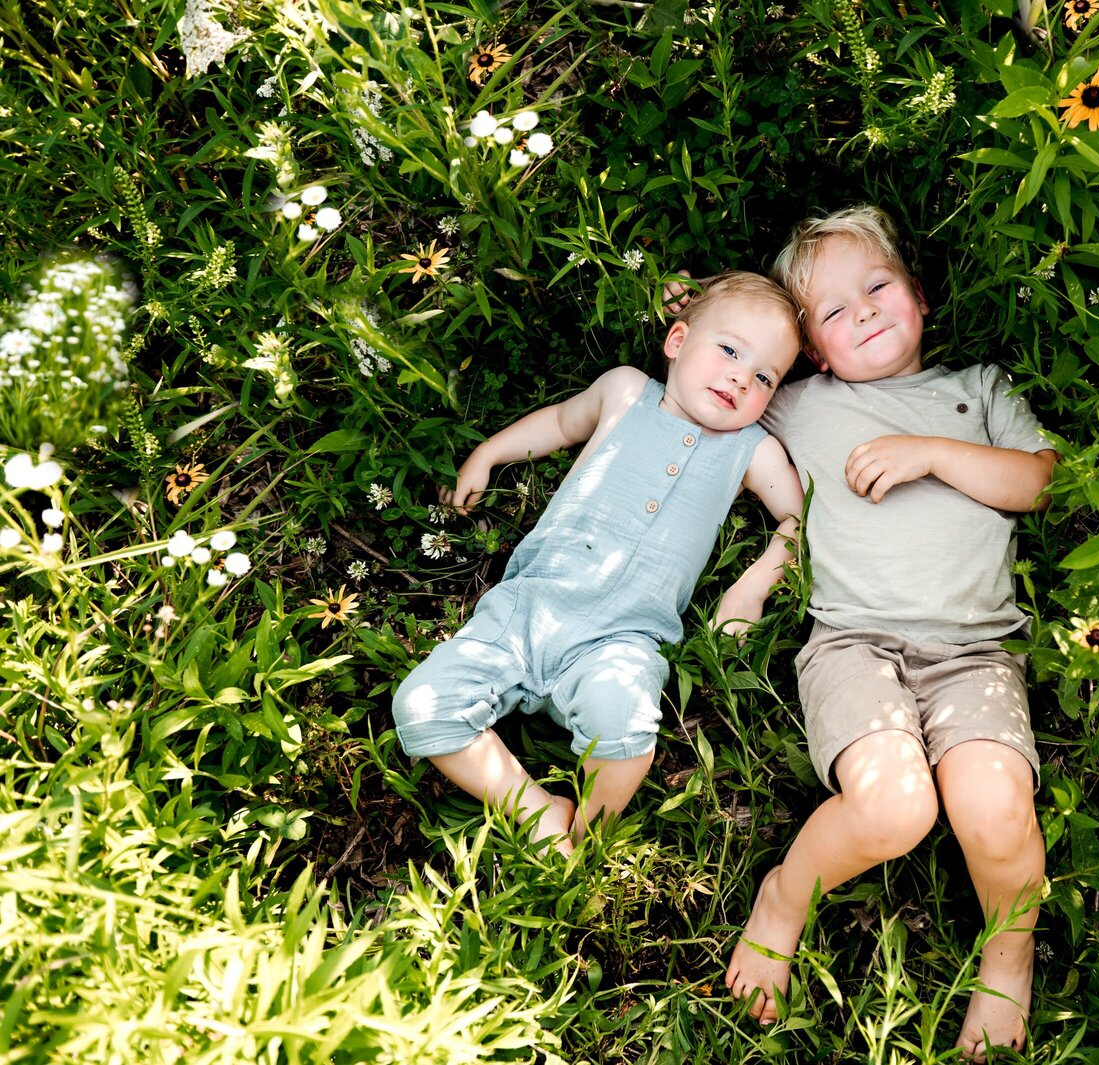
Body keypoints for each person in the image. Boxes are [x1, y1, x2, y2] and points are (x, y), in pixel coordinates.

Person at [720, 207, 1056, 1061]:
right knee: (893, 804)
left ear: (921, 297)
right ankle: (785, 895)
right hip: (854, 643)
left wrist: (933, 451)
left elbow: (1040, 482)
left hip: (977, 652)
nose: (863, 310)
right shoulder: (800, 402)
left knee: (996, 808)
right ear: (814, 352)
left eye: (877, 287)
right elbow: (718, 378)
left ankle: (1008, 951)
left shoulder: (977, 390)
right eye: (832, 312)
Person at [391, 271, 805, 856]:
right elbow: (562, 423)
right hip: (528, 607)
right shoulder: (626, 391)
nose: (742, 376)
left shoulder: (750, 449)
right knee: (422, 705)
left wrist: (753, 585)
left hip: (622, 640)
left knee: (628, 735)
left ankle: (586, 830)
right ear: (678, 340)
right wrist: (489, 453)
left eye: (765, 376)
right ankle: (533, 810)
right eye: (730, 349)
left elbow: (798, 519)